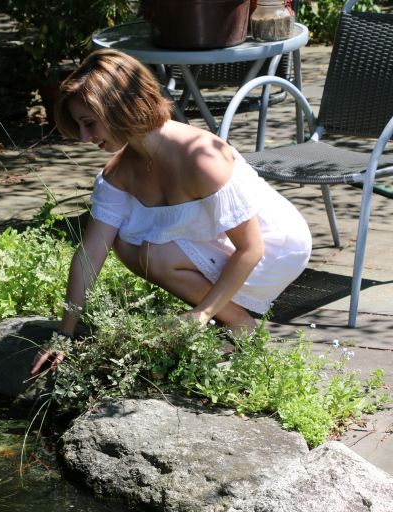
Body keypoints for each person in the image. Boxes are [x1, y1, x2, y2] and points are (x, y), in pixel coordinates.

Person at [30, 48, 311, 374]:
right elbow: (90, 253)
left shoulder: (202, 158)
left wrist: (200, 315)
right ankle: (230, 314)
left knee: (154, 253)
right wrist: (64, 335)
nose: (84, 137)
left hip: (275, 246)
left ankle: (234, 322)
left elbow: (252, 249)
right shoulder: (119, 173)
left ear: (120, 109)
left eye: (89, 124)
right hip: (225, 242)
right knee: (124, 241)